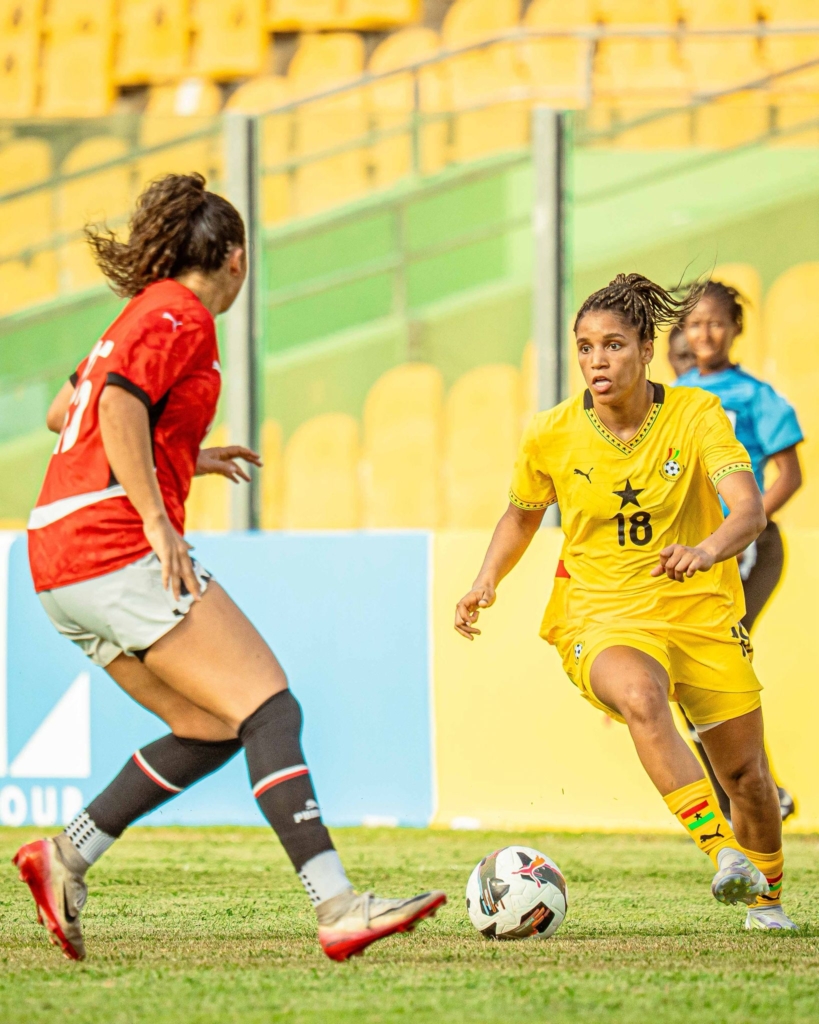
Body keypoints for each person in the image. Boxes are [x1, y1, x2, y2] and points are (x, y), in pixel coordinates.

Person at [13, 172, 445, 963]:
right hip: (112, 545)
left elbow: (62, 413)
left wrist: (185, 454)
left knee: (208, 725)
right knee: (269, 711)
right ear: (236, 256)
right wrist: (154, 518)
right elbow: (112, 410)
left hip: (53, 562)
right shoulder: (183, 313)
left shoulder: (133, 318)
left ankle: (67, 855)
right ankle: (339, 906)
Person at [455, 273, 795, 932]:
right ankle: (721, 852)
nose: (595, 360)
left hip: (699, 610)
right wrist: (484, 579)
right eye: (584, 347)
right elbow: (521, 516)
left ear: (646, 349)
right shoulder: (550, 433)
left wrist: (704, 550)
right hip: (599, 611)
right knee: (638, 695)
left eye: (612, 345)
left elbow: (748, 510)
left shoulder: (695, 414)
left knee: (747, 778)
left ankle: (766, 901)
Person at [676, 280, 804, 823]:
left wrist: (745, 525)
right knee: (693, 673)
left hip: (749, 549)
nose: (705, 333)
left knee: (716, 664)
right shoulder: (676, 394)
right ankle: (751, 796)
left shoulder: (755, 396)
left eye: (716, 323)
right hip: (699, 551)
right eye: (695, 323)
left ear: (735, 330)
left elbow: (790, 475)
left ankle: (757, 793)